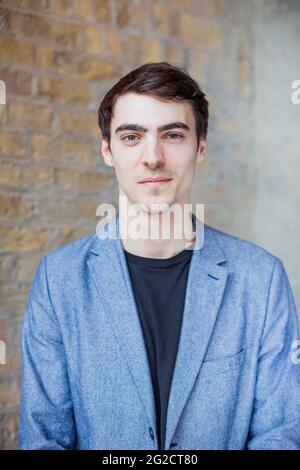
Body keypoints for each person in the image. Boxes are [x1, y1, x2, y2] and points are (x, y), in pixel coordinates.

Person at [19, 62, 300, 450]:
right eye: (132, 136)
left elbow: (282, 434)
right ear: (108, 150)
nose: (153, 157)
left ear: (200, 147)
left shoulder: (261, 279)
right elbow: (44, 436)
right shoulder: (59, 279)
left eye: (172, 134)